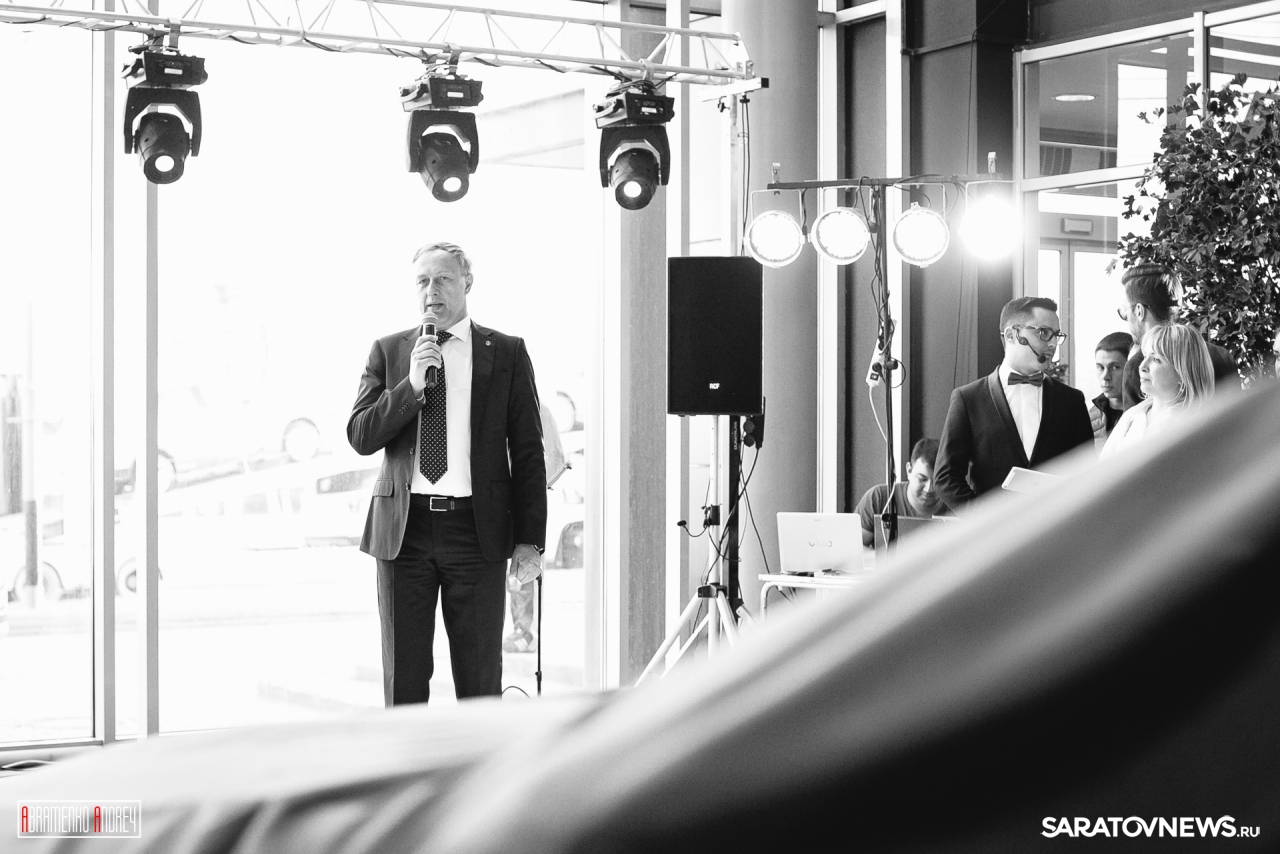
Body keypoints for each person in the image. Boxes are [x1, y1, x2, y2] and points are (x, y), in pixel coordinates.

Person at [347, 242, 547, 706]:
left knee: (479, 682)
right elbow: (360, 435)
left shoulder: (508, 352)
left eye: (443, 279)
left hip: (476, 533)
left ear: (467, 283)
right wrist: (412, 385)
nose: (431, 291)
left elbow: (527, 453)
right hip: (404, 533)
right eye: (422, 281)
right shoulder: (389, 351)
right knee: (404, 681)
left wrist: (529, 540)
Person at [934, 296, 1095, 512]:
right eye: (1044, 332)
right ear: (1012, 335)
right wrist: (984, 518)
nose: (1053, 343)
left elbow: (1087, 473)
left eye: (1056, 335)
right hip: (996, 531)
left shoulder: (1072, 401)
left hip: (1056, 526)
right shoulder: (968, 398)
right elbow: (945, 478)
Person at [1117, 263, 1237, 409]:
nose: (1126, 318)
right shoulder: (1222, 356)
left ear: (1139, 311)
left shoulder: (1138, 366)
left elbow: (1136, 424)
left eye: (1124, 311)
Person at [503, 401, 565, 654]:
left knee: (523, 571)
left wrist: (532, 491)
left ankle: (525, 631)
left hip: (522, 505)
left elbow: (555, 458)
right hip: (495, 504)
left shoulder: (540, 410)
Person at [1100, 323, 1214, 460]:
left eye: (1156, 359)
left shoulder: (1197, 427)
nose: (1142, 366)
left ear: (1183, 372)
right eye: (1144, 356)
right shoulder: (1131, 416)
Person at [854, 438, 949, 548]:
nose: (929, 489)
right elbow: (854, 549)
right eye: (922, 479)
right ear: (909, 471)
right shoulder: (878, 498)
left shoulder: (957, 506)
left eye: (937, 481)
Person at [1087, 331, 1133, 446]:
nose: (1106, 376)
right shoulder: (1090, 416)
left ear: (1132, 368)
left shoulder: (1146, 413)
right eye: (1100, 368)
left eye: (1115, 367)